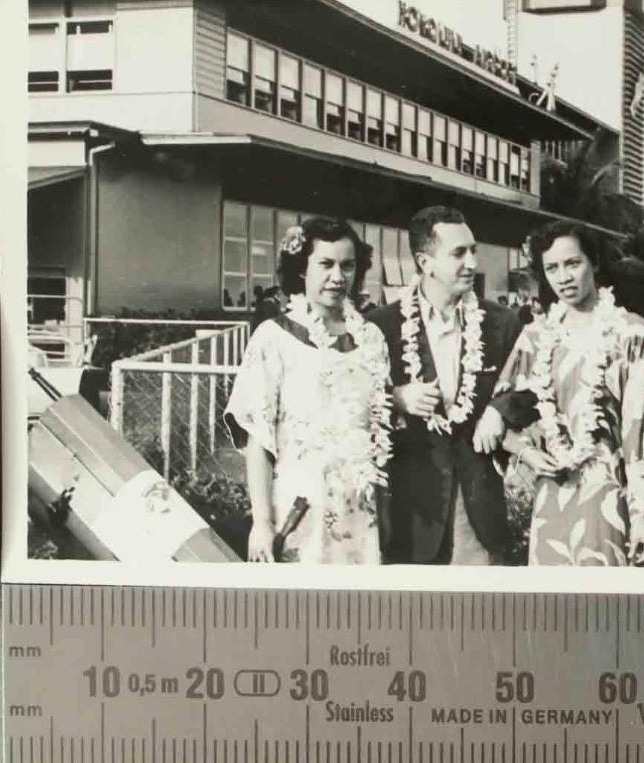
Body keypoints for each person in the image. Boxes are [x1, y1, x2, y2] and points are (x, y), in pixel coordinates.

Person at [489, 220, 644, 566]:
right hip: (551, 492)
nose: (563, 277)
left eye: (572, 263)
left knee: (602, 607)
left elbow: (643, 428)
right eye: (552, 268)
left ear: (593, 263)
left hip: (609, 495)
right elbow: (502, 415)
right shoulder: (536, 337)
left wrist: (640, 514)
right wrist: (529, 454)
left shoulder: (631, 333)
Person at [224, 217, 392, 564]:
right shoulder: (274, 337)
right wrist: (262, 523)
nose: (338, 276)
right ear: (302, 268)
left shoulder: (371, 338)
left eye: (348, 266)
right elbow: (259, 437)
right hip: (299, 508)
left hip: (360, 510)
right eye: (325, 264)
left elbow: (380, 424)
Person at [367, 206, 524, 565]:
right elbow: (353, 400)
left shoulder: (503, 324)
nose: (471, 262)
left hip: (479, 509)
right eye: (458, 253)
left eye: (473, 250)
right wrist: (396, 398)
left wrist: (499, 412)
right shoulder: (381, 327)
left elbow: (528, 389)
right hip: (411, 511)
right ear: (425, 262)